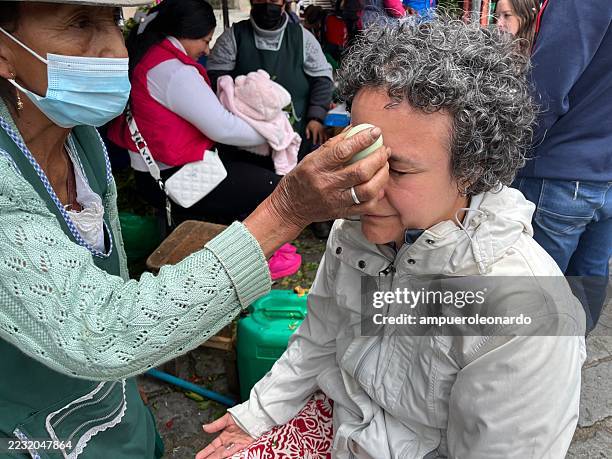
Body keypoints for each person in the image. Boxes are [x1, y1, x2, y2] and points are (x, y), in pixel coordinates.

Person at [0, 1, 390, 457]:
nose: (113, 49)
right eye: (81, 23)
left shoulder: (80, 139)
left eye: (111, 21)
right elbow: (103, 332)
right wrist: (285, 208)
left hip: (114, 412)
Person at [198, 18, 586, 459]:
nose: (362, 187)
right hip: (340, 423)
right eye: (360, 158)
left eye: (397, 169)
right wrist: (260, 414)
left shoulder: (526, 316)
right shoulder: (358, 232)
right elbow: (320, 334)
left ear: (473, 168)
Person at [108, 0, 283, 226]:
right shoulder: (173, 71)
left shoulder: (151, 57)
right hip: (176, 177)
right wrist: (273, 133)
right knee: (276, 187)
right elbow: (223, 128)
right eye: (206, 41)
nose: (207, 50)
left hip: (157, 173)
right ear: (188, 32)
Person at [512, 0, 612, 332]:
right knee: (584, 286)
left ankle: (534, 375)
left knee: (531, 298)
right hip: (594, 170)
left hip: (562, 171)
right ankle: (562, 370)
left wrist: (508, 151)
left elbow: (545, 90)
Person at [207, 0, 334, 159]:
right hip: (244, 140)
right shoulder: (232, 37)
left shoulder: (303, 38)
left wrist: (316, 117)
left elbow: (322, 79)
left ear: (283, 3)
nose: (267, 4)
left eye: (273, 0)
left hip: (295, 137)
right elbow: (216, 82)